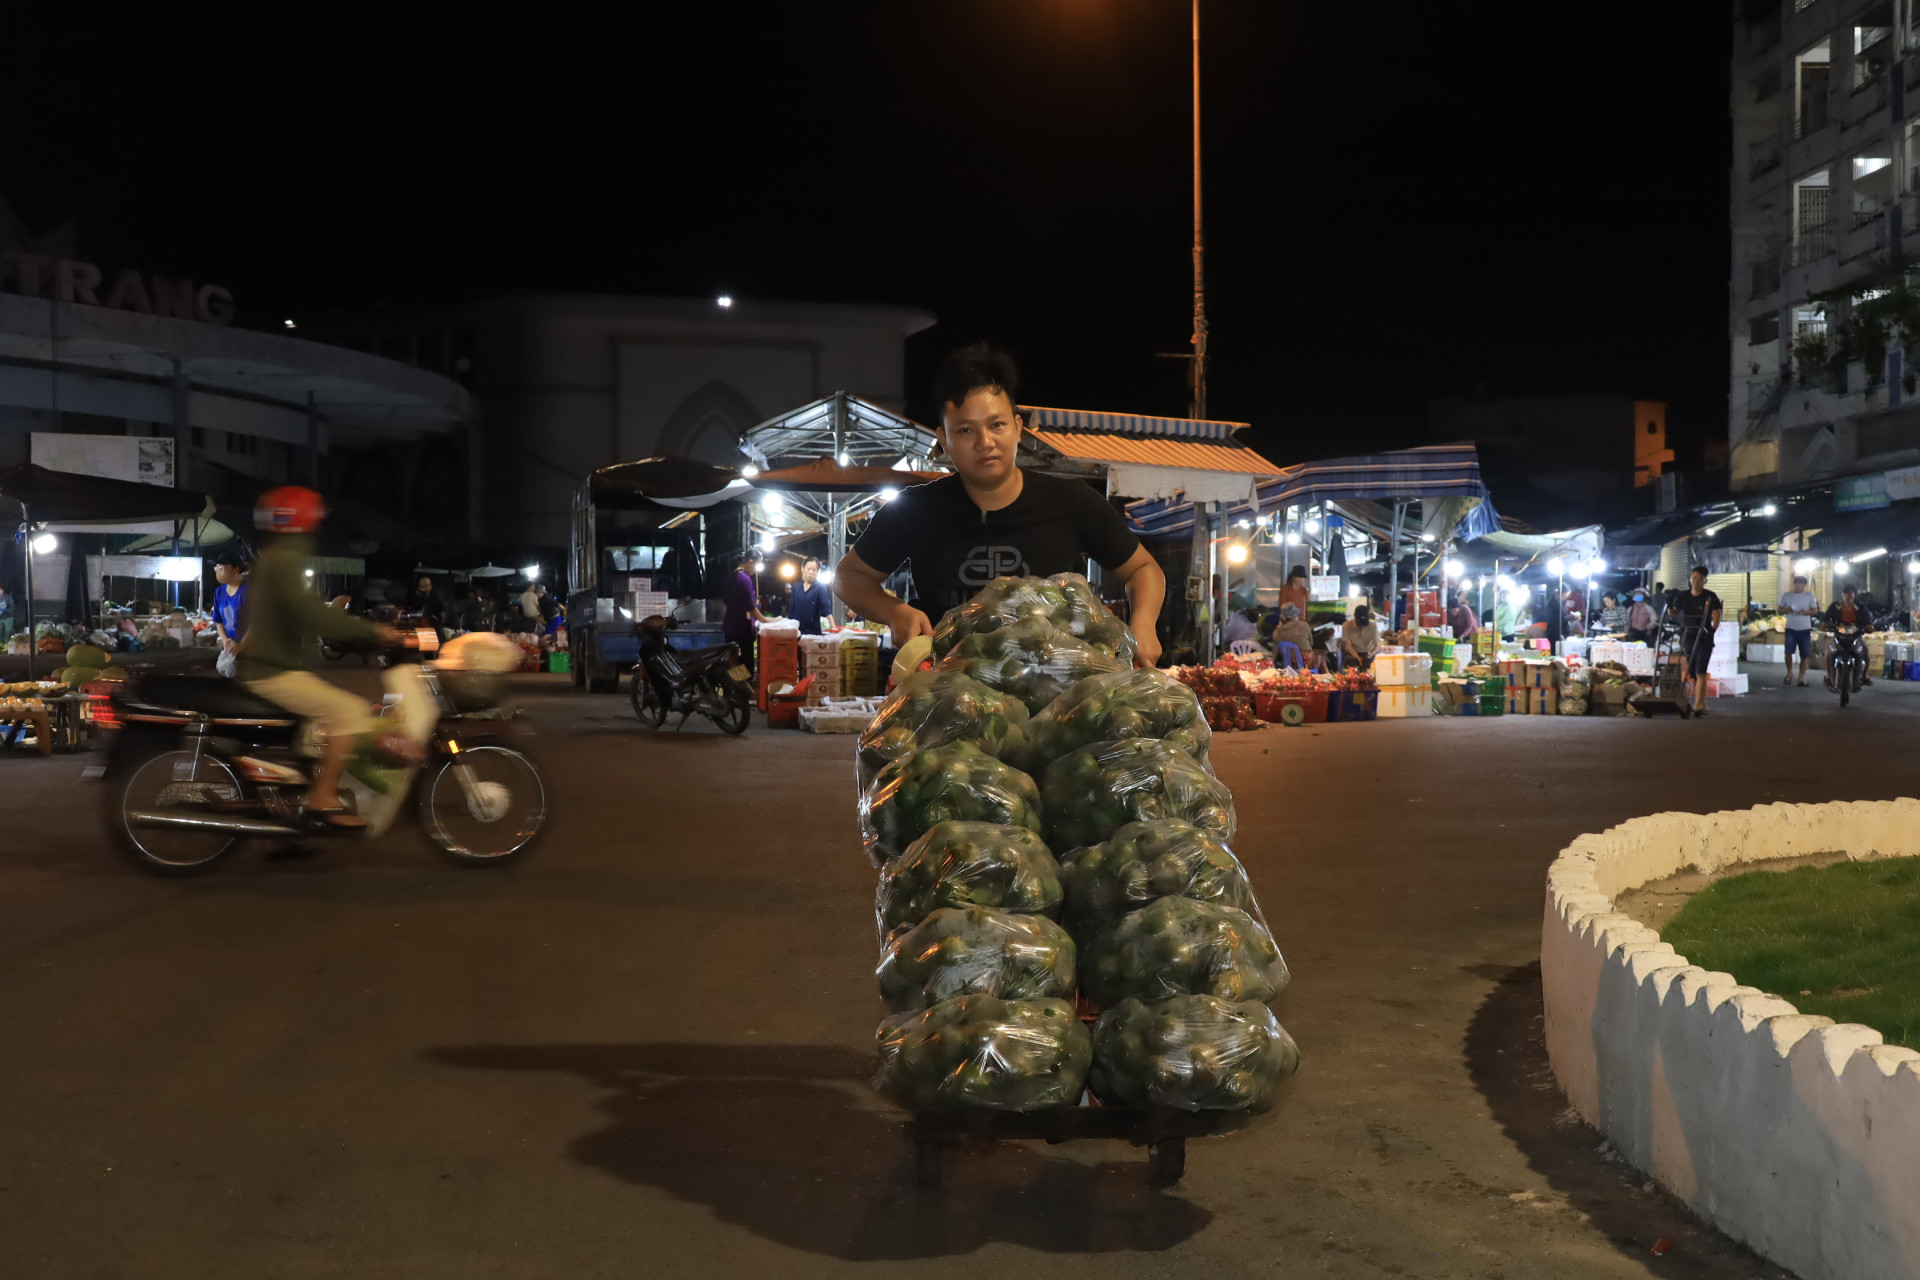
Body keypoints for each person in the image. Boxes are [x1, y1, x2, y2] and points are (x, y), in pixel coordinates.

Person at [832, 342, 1165, 666]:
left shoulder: (1072, 502)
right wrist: (894, 611)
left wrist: (1144, 625)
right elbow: (849, 577)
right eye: (965, 430)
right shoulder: (914, 509)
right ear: (944, 440)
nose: (985, 442)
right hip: (944, 696)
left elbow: (1143, 569)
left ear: (1018, 428)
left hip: (1056, 699)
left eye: (996, 425)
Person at [238, 487, 400, 828]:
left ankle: (290, 808)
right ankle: (322, 797)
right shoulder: (283, 561)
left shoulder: (272, 557)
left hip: (271, 666)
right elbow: (311, 614)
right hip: (274, 672)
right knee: (351, 711)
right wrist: (371, 632)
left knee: (313, 727)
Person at [1673, 566, 1724, 716]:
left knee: (1701, 670)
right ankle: (1700, 701)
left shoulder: (1710, 596)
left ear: (1705, 580)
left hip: (1704, 637)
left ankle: (1699, 704)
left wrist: (1712, 630)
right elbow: (1674, 613)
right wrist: (1671, 605)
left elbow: (1716, 615)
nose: (1695, 581)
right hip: (1688, 636)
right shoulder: (1683, 596)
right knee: (1692, 671)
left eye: (1699, 579)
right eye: (1693, 578)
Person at [1823, 583, 1874, 690]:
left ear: (1854, 595)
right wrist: (1824, 625)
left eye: (1851, 594)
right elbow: (1825, 618)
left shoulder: (1861, 607)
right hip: (1839, 635)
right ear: (1842, 595)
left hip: (1855, 636)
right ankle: (1828, 675)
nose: (1848, 596)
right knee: (1829, 651)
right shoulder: (1835, 606)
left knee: (1865, 651)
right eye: (1846, 594)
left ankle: (1865, 675)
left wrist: (1868, 627)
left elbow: (1867, 621)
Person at [724, 555, 769, 673]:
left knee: (733, 663)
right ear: (750, 562)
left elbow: (726, 603)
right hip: (742, 630)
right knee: (744, 664)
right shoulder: (744, 579)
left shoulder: (730, 576)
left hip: (730, 627)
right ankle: (743, 688)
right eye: (757, 565)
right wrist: (766, 622)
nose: (756, 570)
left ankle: (734, 688)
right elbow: (751, 607)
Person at [210, 551, 249, 678]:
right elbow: (218, 619)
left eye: (223, 568)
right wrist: (225, 640)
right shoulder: (219, 592)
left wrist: (242, 644)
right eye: (217, 568)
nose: (219, 571)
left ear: (235, 569)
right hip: (230, 648)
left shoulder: (248, 590)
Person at [1779, 573, 1817, 687]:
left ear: (1805, 585)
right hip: (1791, 627)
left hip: (1805, 628)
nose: (1799, 586)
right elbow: (1780, 610)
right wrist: (1787, 609)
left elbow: (1815, 611)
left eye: (1801, 584)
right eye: (1797, 584)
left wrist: (1806, 612)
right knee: (1788, 652)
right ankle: (1789, 673)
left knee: (1805, 654)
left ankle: (1801, 678)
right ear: (1794, 584)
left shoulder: (1809, 596)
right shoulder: (1787, 595)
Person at [788, 558, 834, 635]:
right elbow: (791, 609)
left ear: (818, 571)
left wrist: (833, 626)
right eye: (808, 569)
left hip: (813, 632)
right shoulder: (796, 587)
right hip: (796, 632)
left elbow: (826, 607)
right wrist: (788, 628)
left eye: (814, 570)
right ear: (802, 569)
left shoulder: (821, 587)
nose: (811, 572)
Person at [1339, 602, 1381, 671]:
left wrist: (1370, 655)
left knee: (1369, 664)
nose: (1361, 627)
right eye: (1359, 623)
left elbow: (1376, 645)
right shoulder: (1346, 625)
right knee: (1352, 661)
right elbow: (1349, 645)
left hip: (1367, 652)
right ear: (1355, 617)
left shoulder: (1373, 626)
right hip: (1352, 652)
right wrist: (1358, 657)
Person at [1273, 603, 1315, 668]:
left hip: (1288, 662)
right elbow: (1311, 643)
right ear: (1295, 615)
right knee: (1321, 659)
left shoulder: (1277, 631)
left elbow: (1277, 651)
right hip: (1306, 662)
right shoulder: (1304, 625)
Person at [0, 580, 14, 645]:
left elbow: (12, 607)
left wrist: (6, 610)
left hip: (8, 617)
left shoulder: (8, 597)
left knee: (8, 631)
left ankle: (7, 643)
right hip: (0, 617)